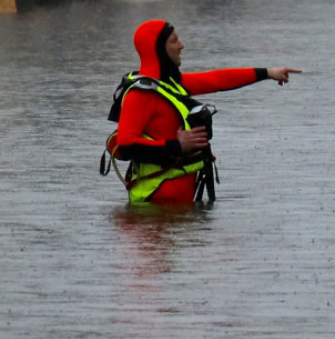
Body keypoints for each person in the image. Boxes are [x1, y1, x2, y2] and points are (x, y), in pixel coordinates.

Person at [105, 19, 301, 204]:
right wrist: (177, 145)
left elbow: (217, 80)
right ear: (159, 49)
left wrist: (267, 73)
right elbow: (126, 145)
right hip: (154, 205)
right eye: (174, 41)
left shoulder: (169, 85)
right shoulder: (141, 94)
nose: (181, 45)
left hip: (177, 206)